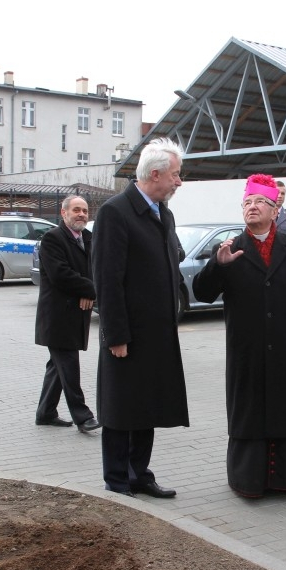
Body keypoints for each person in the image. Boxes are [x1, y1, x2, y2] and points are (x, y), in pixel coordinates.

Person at [192, 174, 286, 497]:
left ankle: (283, 479)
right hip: (246, 347)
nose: (252, 207)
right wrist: (217, 266)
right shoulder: (230, 248)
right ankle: (247, 480)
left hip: (284, 346)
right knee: (247, 410)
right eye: (247, 202)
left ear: (276, 210)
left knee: (282, 407)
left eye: (260, 201)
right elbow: (203, 293)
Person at [92, 137, 190, 498]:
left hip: (157, 334)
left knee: (146, 406)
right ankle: (117, 479)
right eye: (176, 174)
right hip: (127, 335)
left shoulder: (164, 213)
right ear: (155, 174)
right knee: (121, 408)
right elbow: (108, 278)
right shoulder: (115, 212)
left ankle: (139, 474)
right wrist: (115, 334)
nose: (179, 181)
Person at [34, 196, 101, 434]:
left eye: (84, 210)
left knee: (58, 365)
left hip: (77, 314)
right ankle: (83, 417)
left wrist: (89, 291)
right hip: (58, 316)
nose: (81, 214)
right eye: (76, 210)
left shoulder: (88, 238)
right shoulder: (53, 239)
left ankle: (45, 413)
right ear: (64, 213)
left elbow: (96, 269)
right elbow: (60, 275)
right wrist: (90, 290)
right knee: (68, 364)